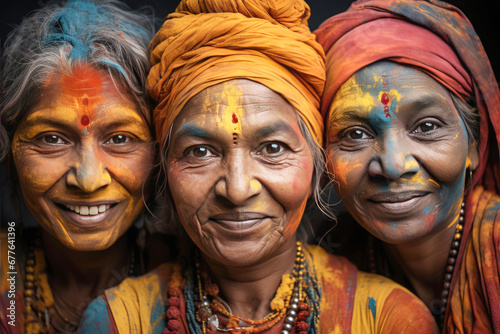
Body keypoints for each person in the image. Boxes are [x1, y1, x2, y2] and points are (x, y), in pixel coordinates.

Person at [79, 0, 438, 333]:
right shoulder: (117, 319)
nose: (237, 190)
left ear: (317, 163)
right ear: (165, 167)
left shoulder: (389, 318)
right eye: (200, 152)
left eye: (272, 147)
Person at [315, 0, 500, 332]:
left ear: (474, 143)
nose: (393, 165)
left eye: (426, 127)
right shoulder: (330, 258)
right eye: (355, 134)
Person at [0, 0, 156, 332]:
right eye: (52, 139)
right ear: (9, 149)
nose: (87, 179)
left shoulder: (198, 285)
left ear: (160, 153)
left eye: (120, 139)